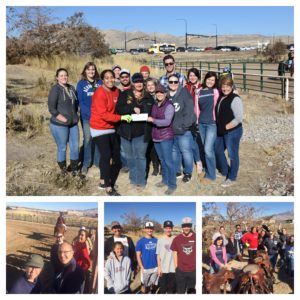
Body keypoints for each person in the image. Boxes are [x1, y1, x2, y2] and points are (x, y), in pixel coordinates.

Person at [90, 69, 132, 196]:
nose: (109, 80)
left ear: (115, 78)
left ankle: (103, 181)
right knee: (106, 155)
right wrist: (121, 118)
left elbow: (126, 96)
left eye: (112, 77)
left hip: (111, 127)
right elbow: (103, 115)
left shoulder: (116, 91)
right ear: (103, 80)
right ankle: (108, 187)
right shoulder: (99, 93)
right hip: (99, 128)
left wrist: (131, 101)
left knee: (114, 155)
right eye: (106, 78)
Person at [116, 73, 154, 189]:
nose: (138, 84)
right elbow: (119, 109)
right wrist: (131, 108)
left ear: (143, 82)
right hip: (126, 133)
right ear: (133, 83)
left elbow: (151, 112)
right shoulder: (125, 94)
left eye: (140, 81)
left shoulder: (148, 97)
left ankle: (141, 181)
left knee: (140, 157)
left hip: (142, 133)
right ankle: (133, 178)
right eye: (136, 81)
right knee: (130, 157)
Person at [48, 68, 79, 176]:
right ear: (57, 77)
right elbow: (51, 108)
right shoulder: (55, 89)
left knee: (75, 146)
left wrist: (76, 115)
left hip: (73, 123)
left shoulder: (71, 88)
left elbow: (75, 104)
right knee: (62, 147)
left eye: (65, 75)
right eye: (61, 75)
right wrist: (63, 118)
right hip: (60, 124)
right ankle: (64, 170)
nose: (64, 77)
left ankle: (74, 169)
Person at [215, 76, 243, 187]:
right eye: (223, 86)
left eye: (227, 86)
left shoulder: (235, 98)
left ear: (232, 86)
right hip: (222, 131)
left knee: (232, 154)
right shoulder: (221, 96)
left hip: (233, 132)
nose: (225, 88)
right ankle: (225, 171)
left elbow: (238, 118)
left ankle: (232, 177)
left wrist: (226, 127)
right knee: (217, 150)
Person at [167, 74, 196, 183]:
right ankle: (177, 171)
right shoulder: (167, 95)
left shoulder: (184, 92)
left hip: (183, 130)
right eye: (171, 82)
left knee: (186, 152)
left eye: (175, 82)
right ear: (168, 83)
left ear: (178, 83)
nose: (173, 84)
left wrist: (185, 126)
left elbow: (189, 110)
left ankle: (188, 172)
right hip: (172, 130)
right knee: (174, 151)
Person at [148, 84, 176, 195]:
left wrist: (153, 120)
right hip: (156, 137)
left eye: (161, 92)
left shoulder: (169, 106)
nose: (159, 94)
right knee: (162, 161)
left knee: (168, 162)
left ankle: (172, 185)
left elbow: (167, 122)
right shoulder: (155, 105)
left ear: (165, 94)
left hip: (166, 137)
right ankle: (164, 180)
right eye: (157, 92)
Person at [76, 62, 102, 175]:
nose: (91, 71)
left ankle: (97, 162)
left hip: (100, 117)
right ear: (85, 71)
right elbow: (80, 102)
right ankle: (86, 163)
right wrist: (90, 114)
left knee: (98, 139)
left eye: (93, 69)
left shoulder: (100, 83)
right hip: (87, 117)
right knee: (87, 139)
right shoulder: (81, 84)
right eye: (89, 69)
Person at [196, 71, 220, 183]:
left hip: (211, 124)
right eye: (209, 79)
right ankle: (207, 168)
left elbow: (228, 90)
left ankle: (211, 175)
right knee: (204, 148)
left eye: (213, 80)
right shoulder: (198, 92)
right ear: (205, 79)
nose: (210, 81)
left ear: (215, 82)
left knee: (208, 149)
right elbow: (197, 109)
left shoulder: (215, 91)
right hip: (201, 123)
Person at [185, 68, 203, 176]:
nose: (192, 77)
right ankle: (197, 161)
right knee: (193, 141)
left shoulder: (202, 87)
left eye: (194, 75)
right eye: (190, 75)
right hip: (189, 118)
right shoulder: (185, 87)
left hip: (200, 118)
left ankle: (201, 160)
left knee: (200, 141)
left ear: (198, 76)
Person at [171, 217, 196, 294]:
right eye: (184, 226)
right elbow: (174, 253)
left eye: (188, 226)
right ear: (182, 227)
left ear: (191, 226)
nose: (186, 228)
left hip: (193, 270)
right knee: (180, 291)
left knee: (191, 291)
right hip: (181, 270)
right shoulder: (177, 239)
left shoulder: (196, 237)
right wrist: (176, 267)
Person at [135, 222, 158, 294]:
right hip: (145, 267)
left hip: (155, 267)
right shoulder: (140, 241)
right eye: (148, 228)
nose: (149, 230)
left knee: (154, 283)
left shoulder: (156, 240)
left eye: (151, 228)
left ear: (153, 229)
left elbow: (158, 254)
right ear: (145, 229)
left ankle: (152, 293)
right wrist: (141, 267)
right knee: (144, 285)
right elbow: (138, 256)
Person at [156, 220, 176, 294]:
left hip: (172, 269)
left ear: (172, 228)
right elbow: (158, 254)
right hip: (163, 269)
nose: (168, 230)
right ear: (164, 229)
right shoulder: (160, 240)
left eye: (170, 228)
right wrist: (159, 267)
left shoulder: (175, 239)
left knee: (171, 289)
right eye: (166, 228)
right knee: (163, 289)